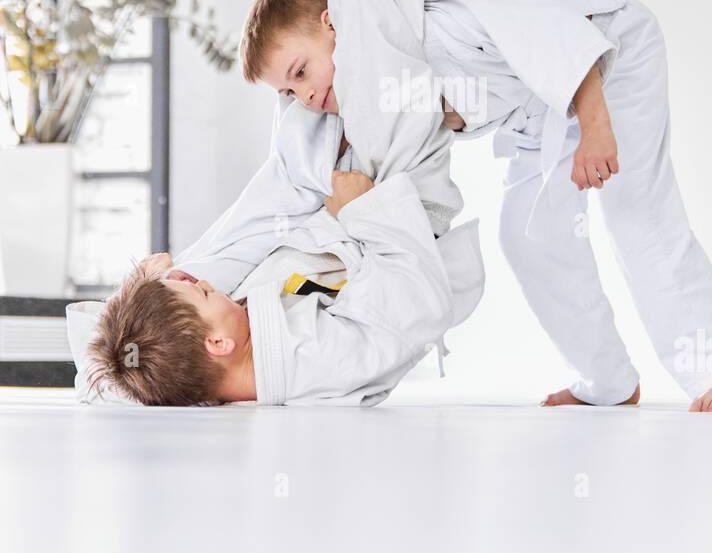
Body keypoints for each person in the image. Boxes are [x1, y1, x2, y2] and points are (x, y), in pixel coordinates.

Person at [223, 0, 712, 414]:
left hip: (606, 60)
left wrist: (596, 127)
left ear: (332, 24)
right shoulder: (367, 101)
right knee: (528, 234)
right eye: (288, 94)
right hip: (539, 114)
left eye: (301, 73)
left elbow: (555, 32)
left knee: (637, 212)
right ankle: (607, 379)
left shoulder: (438, 30)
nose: (306, 98)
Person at [68, 168, 483, 407]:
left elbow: (98, 378)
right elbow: (415, 304)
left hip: (332, 220)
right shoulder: (316, 358)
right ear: (217, 344)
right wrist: (364, 212)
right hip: (399, 225)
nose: (208, 285)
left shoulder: (205, 377)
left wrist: (138, 288)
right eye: (206, 294)